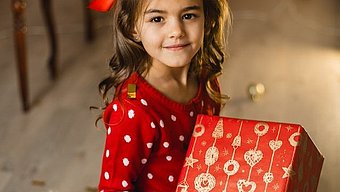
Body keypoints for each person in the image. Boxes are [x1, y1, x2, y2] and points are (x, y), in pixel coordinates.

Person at [89, 0, 231, 191]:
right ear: (132, 27)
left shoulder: (206, 80)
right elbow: (113, 188)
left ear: (209, 19)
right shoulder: (133, 110)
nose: (176, 31)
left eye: (188, 16)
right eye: (157, 19)